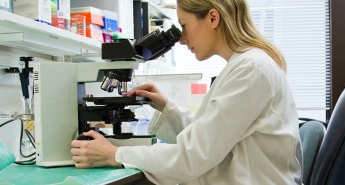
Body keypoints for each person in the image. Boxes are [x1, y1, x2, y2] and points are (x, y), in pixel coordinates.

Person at [70, 0, 302, 184]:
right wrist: (167, 107)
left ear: (212, 17)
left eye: (184, 25)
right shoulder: (247, 65)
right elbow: (213, 135)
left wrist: (115, 155)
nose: (181, 39)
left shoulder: (250, 69)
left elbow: (193, 156)